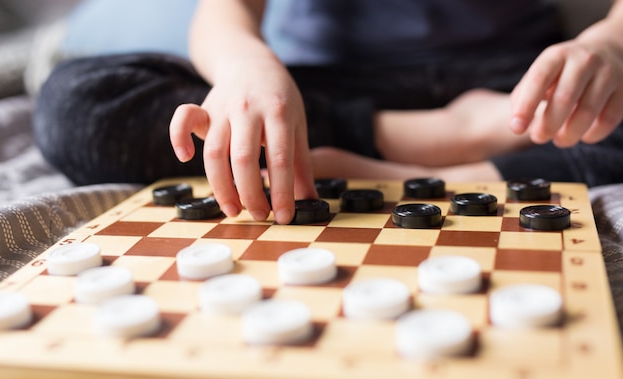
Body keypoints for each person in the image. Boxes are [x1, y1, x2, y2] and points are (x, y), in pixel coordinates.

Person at [34, 0, 623, 225]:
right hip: (322, 92)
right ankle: (442, 137)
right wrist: (247, 67)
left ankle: (426, 149)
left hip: (519, 85)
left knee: (604, 103)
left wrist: (611, 43)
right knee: (81, 103)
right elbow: (225, 13)